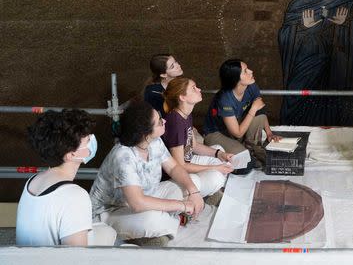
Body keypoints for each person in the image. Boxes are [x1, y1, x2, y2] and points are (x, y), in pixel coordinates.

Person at [90, 101, 204, 247]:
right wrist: (181, 205)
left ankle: (165, 225)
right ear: (145, 134)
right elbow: (137, 203)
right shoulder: (123, 156)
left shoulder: (154, 141)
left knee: (193, 182)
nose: (164, 121)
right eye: (159, 122)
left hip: (148, 196)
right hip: (113, 211)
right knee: (152, 220)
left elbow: (174, 168)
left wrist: (193, 191)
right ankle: (164, 226)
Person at [16, 109, 116, 246]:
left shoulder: (32, 181)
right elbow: (75, 261)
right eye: (87, 140)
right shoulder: (74, 195)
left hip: (27, 264)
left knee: (106, 231)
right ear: (71, 155)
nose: (92, 141)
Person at [162, 77, 234, 199]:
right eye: (193, 88)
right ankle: (203, 194)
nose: (199, 89)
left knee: (219, 151)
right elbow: (180, 165)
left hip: (189, 161)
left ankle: (210, 190)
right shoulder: (175, 122)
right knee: (216, 175)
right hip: (175, 174)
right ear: (182, 97)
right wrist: (214, 168)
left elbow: (194, 145)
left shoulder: (186, 114)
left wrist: (220, 154)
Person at [202, 59, 281, 167]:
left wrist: (269, 133)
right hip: (217, 133)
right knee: (245, 161)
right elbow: (237, 133)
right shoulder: (225, 99)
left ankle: (251, 147)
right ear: (235, 79)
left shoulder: (251, 86)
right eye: (245, 71)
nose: (251, 71)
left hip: (236, 126)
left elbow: (260, 110)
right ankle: (246, 152)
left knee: (259, 115)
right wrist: (253, 108)